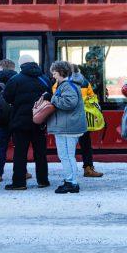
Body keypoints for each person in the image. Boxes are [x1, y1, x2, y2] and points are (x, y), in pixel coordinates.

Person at [2, 61, 51, 191]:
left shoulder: (15, 79)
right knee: (40, 152)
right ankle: (43, 180)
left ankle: (19, 183)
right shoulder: (44, 79)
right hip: (39, 121)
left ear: (22, 67)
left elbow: (6, 97)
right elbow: (50, 96)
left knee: (20, 153)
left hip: (20, 122)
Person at [47, 60, 86, 194]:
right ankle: (70, 180)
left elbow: (69, 103)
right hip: (68, 126)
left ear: (61, 72)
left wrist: (52, 98)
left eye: (55, 73)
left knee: (67, 156)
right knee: (67, 155)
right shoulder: (69, 84)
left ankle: (71, 183)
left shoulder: (67, 85)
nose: (53, 76)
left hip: (67, 128)